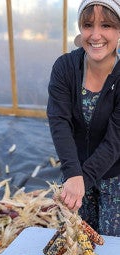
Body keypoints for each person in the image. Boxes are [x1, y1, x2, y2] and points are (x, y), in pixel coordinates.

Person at [47, 0, 120, 236]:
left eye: (107, 25)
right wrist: (74, 174)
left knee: (109, 245)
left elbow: (116, 138)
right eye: (88, 25)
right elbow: (59, 121)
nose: (96, 35)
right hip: (74, 171)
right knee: (75, 240)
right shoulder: (65, 67)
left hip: (114, 174)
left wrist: (84, 177)